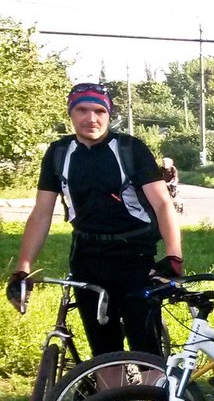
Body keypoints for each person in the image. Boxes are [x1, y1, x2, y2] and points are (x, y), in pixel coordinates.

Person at [8, 82, 182, 356]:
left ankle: (151, 398)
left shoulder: (130, 149)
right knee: (103, 346)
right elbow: (41, 213)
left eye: (100, 111)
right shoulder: (59, 153)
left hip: (134, 255)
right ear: (71, 114)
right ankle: (111, 399)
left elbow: (162, 204)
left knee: (144, 344)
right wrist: (23, 267)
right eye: (82, 110)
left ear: (109, 115)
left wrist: (174, 256)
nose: (91, 118)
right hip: (87, 255)